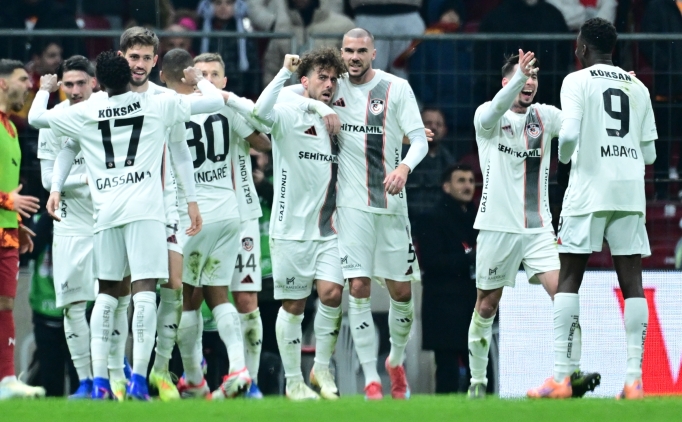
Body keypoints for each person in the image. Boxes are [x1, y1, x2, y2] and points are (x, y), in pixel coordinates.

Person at [28, 50, 223, 400]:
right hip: (145, 211)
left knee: (106, 294)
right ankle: (138, 380)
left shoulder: (86, 111)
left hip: (105, 213)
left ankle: (100, 381)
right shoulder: (156, 104)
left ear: (99, 83)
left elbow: (36, 119)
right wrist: (199, 80)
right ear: (129, 76)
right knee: (143, 291)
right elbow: (212, 102)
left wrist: (44, 90)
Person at [528, 18, 658, 400]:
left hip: (588, 190)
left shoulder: (576, 80)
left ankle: (561, 378)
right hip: (630, 191)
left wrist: (566, 159)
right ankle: (634, 381)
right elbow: (651, 153)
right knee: (632, 281)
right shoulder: (638, 87)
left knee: (570, 276)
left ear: (582, 48)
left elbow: (568, 135)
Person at [466, 50, 598, 399]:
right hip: (497, 227)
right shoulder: (487, 116)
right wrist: (519, 78)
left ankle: (570, 375)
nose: (530, 82)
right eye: (523, 76)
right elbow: (496, 107)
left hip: (539, 229)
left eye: (534, 76)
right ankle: (477, 382)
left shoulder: (546, 116)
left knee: (565, 294)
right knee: (486, 305)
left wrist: (611, 89)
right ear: (505, 82)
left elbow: (581, 120)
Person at [160, 49, 267, 400]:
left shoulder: (172, 107)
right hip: (228, 211)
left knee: (186, 298)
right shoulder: (223, 107)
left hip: (193, 215)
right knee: (218, 293)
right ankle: (237, 368)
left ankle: (194, 377)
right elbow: (263, 141)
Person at [244, 48, 347, 400]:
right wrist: (284, 76)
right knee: (294, 306)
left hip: (330, 228)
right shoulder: (288, 112)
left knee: (332, 294)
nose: (329, 84)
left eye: (333, 79)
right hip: (290, 230)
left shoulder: (340, 115)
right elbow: (259, 112)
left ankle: (321, 369)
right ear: (305, 80)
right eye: (322, 77)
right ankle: (293, 381)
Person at [113, 27, 203, 402]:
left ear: (155, 61)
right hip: (121, 206)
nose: (139, 64)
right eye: (133, 57)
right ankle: (116, 372)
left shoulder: (166, 99)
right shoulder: (107, 98)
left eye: (146, 57)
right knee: (120, 290)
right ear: (122, 57)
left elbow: (180, 150)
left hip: (165, 206)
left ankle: (159, 370)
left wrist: (191, 200)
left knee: (172, 285)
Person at [192, 52, 272, 399]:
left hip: (241, 214)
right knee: (194, 296)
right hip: (198, 218)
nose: (208, 79)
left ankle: (248, 382)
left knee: (246, 298)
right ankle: (195, 374)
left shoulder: (229, 110)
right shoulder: (181, 110)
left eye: (214, 74)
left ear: (224, 81)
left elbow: (264, 142)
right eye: (202, 73)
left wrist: (239, 108)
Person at [36, 55, 98, 399]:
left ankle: (107, 377)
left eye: (81, 83)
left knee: (113, 300)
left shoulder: (108, 112)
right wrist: (86, 179)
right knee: (74, 306)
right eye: (68, 84)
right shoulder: (53, 121)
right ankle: (85, 381)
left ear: (94, 83)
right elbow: (48, 179)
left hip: (108, 220)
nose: (75, 90)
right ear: (60, 86)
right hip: (70, 222)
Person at [0, 58, 44, 400]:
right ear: (2, 83)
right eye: (22, 79)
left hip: (7, 233)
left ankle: (6, 380)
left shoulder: (12, 129)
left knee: (6, 304)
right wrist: (7, 201)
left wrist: (16, 222)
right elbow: (8, 195)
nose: (29, 85)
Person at [418, 163, 477, 394]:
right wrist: (470, 257)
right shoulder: (432, 218)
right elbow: (431, 261)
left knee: (480, 367)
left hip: (472, 301)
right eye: (461, 180)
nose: (468, 186)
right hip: (443, 304)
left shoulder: (480, 218)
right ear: (446, 186)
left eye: (471, 181)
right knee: (447, 370)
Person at [640, 0, 682, 200]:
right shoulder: (658, 5)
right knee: (664, 138)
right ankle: (662, 189)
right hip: (668, 84)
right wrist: (667, 65)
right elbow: (647, 41)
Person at [261, 0, 354, 85]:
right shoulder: (282, 27)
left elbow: (352, 72)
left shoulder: (343, 27)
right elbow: (271, 71)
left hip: (329, 96)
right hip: (289, 95)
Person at [404, 108, 456, 219]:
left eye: (438, 124)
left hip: (440, 220)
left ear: (445, 130)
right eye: (428, 123)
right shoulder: (402, 155)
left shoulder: (449, 161)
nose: (433, 127)